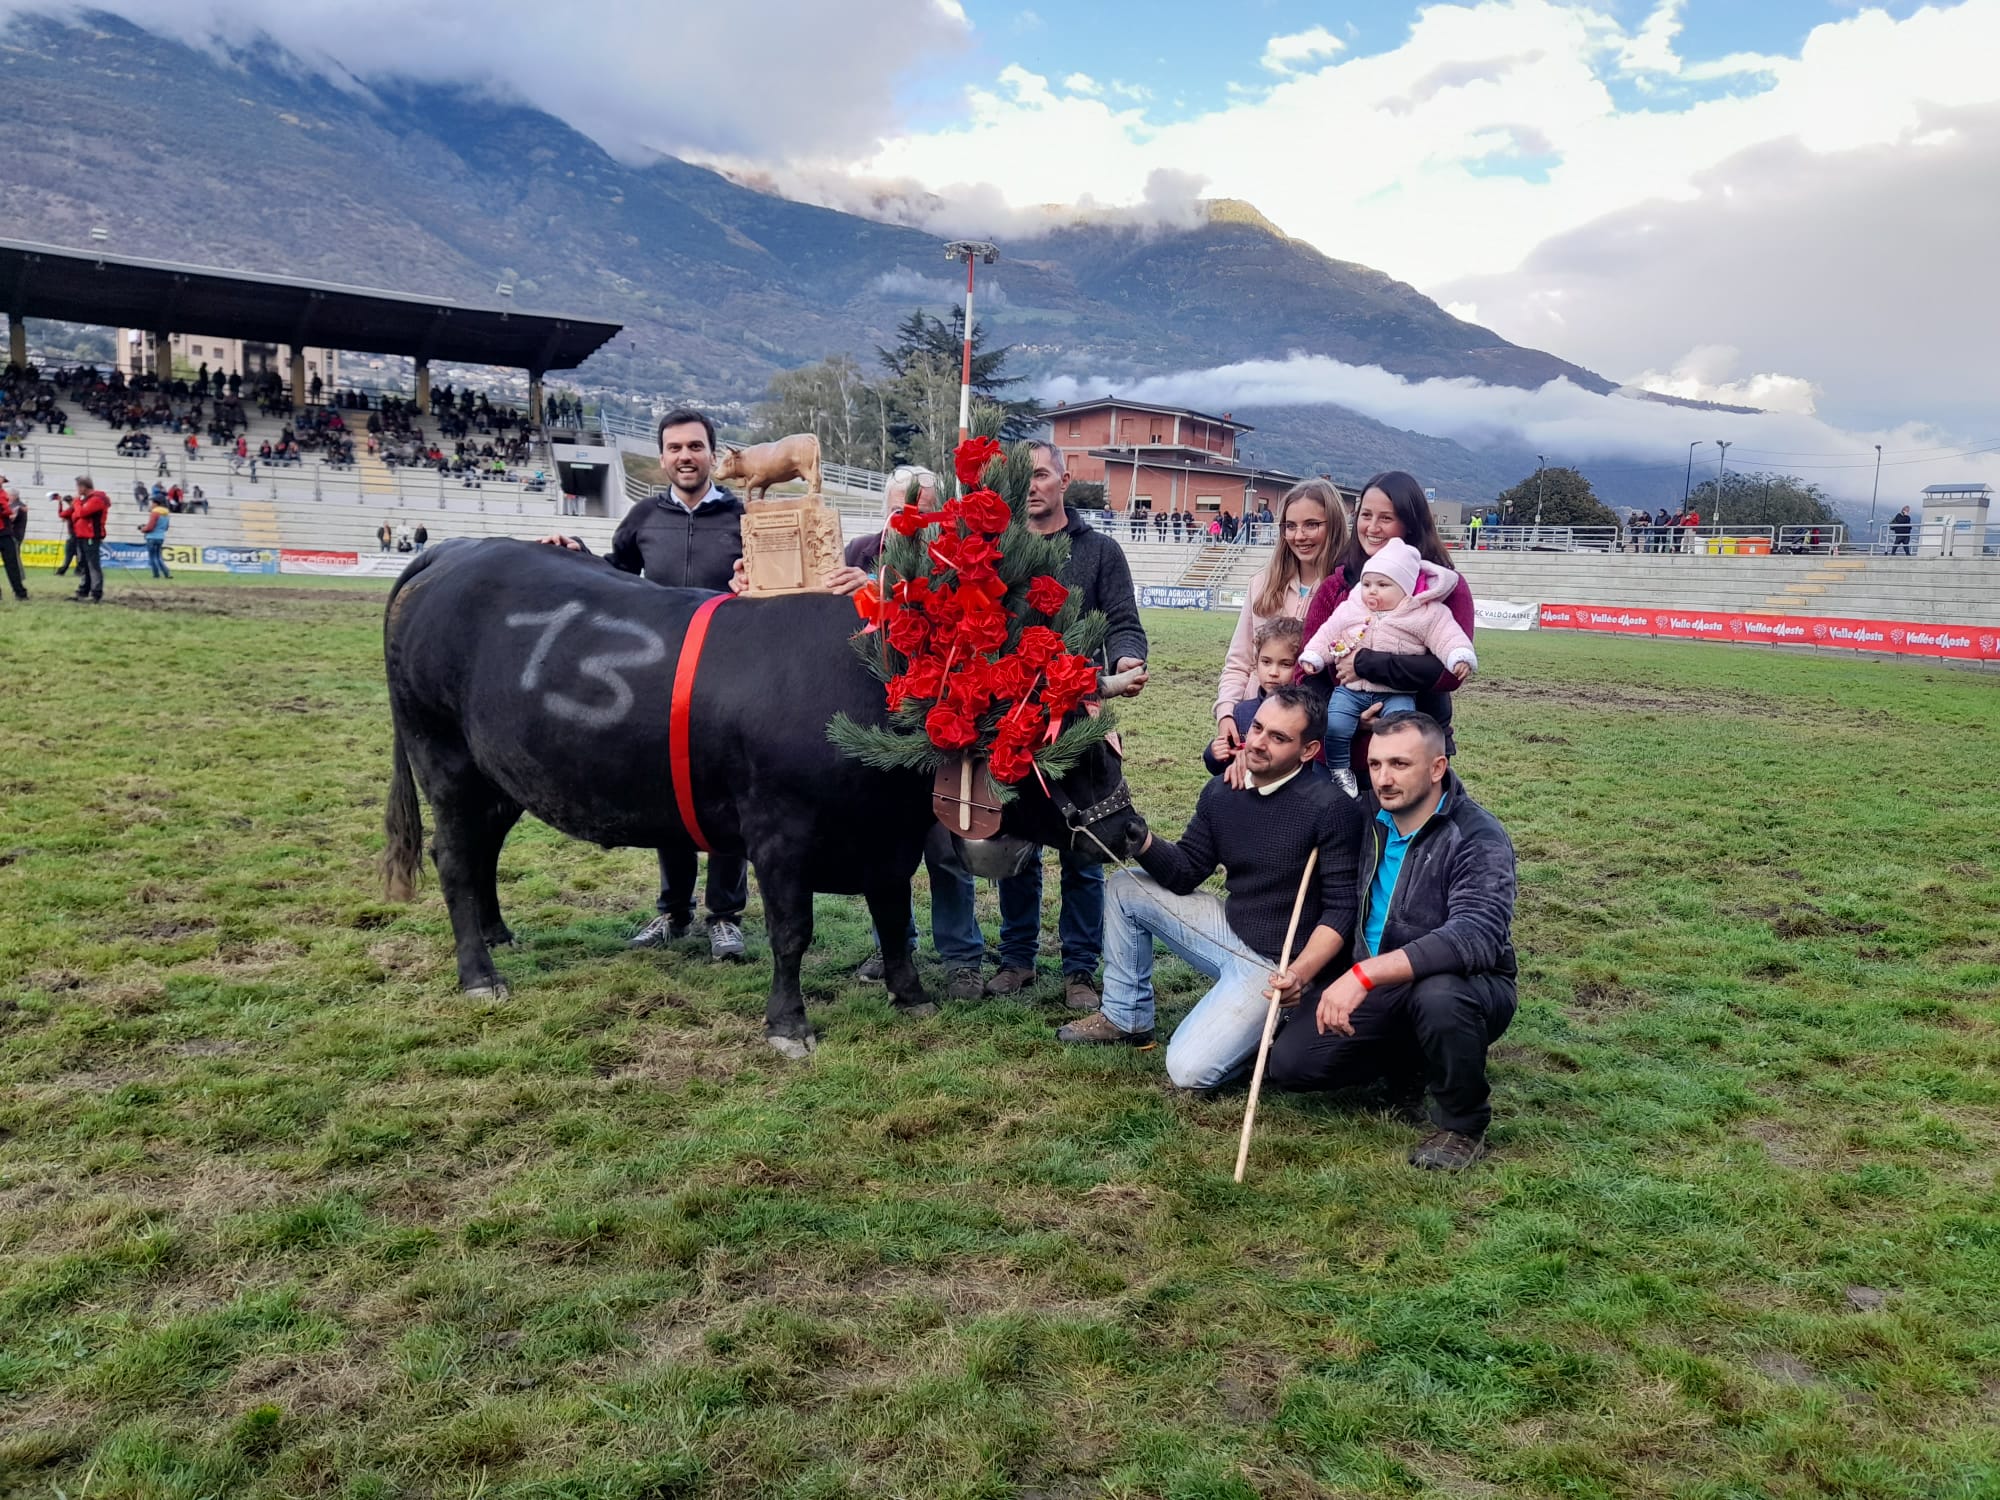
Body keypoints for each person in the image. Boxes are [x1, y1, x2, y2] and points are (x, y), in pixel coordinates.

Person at [1060, 687, 1363, 1089]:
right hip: (1231, 928)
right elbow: (1186, 871)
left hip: (1278, 963)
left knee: (1189, 1071)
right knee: (1124, 888)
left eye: (1278, 738)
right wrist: (1144, 843)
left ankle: (1273, 1028)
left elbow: (1342, 910)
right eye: (1257, 727)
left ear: (1307, 752)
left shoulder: (1331, 809)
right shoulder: (1223, 790)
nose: (1258, 742)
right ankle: (1125, 1016)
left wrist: (1300, 975)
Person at [538, 409, 752, 962]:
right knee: (671, 795)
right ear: (662, 457)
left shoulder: (741, 517)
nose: (686, 456)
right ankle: (672, 910)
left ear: (712, 453)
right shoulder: (641, 517)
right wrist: (577, 556)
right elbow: (615, 576)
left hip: (728, 678)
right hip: (661, 680)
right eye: (676, 447)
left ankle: (725, 917)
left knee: (731, 797)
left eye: (696, 446)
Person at [1264, 712, 1518, 1172]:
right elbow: (1293, 809)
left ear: (1437, 767)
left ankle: (1463, 1124)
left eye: (1400, 764)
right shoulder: (1361, 817)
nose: (1384, 778)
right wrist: (1245, 766)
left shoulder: (1478, 836)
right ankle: (1411, 1063)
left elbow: (1477, 935)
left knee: (1438, 998)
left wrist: (1363, 974)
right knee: (1291, 1066)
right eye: (1376, 764)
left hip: (1467, 987)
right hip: (1377, 985)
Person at [988, 440, 1149, 1011]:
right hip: (1012, 723)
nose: (1030, 486)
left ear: (1063, 478)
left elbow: (1124, 623)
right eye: (1020, 478)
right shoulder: (998, 553)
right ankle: (1017, 959)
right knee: (1018, 843)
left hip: (1080, 720)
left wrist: (1127, 658)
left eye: (1039, 475)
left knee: (1086, 849)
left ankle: (1081, 969)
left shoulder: (1100, 551)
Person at [1301, 539, 1476, 794]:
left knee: (1400, 730)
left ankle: (1395, 777)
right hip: (1350, 691)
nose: (1372, 591)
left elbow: (1446, 635)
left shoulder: (1424, 613)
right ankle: (1339, 770)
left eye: (1383, 585)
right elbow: (1327, 632)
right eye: (1368, 584)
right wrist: (1314, 656)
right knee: (1336, 725)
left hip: (1396, 693)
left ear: (1405, 589)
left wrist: (1458, 656)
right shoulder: (1350, 607)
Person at [1213, 478, 1348, 780]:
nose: (1299, 536)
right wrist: (1226, 713)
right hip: (1258, 725)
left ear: (1334, 525)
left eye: (1312, 525)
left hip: (1318, 734)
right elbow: (1239, 661)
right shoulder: (1261, 585)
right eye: (1290, 526)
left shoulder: (1348, 592)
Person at [1204, 617, 1327, 782]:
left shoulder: (1310, 716)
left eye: (1285, 664)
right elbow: (1222, 769)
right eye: (1266, 662)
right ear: (1256, 662)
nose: (1273, 672)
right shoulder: (1242, 712)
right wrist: (1215, 754)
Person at [62, 475, 110, 603]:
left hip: (91, 536)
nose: (77, 490)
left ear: (83, 487)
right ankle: (84, 590)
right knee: (84, 564)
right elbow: (74, 514)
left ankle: (96, 592)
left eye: (78, 487)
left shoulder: (96, 500)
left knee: (93, 565)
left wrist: (76, 503)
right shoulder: (85, 500)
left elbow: (82, 513)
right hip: (82, 536)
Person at [0, 484, 27, 602]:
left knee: (13, 565)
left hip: (6, 533)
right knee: (12, 565)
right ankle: (20, 592)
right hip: (5, 533)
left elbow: (6, 510)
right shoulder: (4, 496)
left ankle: (20, 592)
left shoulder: (4, 495)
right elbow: (6, 510)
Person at [140, 496, 173, 578]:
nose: (151, 505)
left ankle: (156, 574)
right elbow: (166, 527)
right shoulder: (166, 514)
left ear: (156, 503)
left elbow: (150, 527)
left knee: (152, 557)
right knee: (158, 556)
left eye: (152, 503)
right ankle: (166, 573)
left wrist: (143, 529)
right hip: (161, 537)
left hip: (152, 537)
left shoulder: (155, 513)